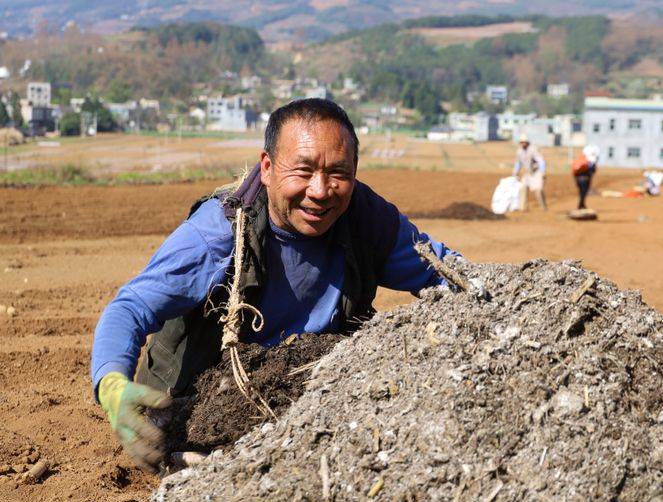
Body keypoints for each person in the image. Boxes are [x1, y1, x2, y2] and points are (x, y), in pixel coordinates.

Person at [91, 99, 458, 472]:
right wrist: (112, 387)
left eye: (338, 173)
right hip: (206, 413)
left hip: (315, 410)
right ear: (266, 168)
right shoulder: (221, 231)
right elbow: (131, 308)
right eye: (303, 171)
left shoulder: (368, 220)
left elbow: (445, 272)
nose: (320, 190)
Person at [511, 134, 547, 211]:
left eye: (524, 142)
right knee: (523, 188)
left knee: (538, 190)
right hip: (528, 173)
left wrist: (543, 171)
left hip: (536, 172)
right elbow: (518, 163)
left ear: (527, 142)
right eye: (521, 142)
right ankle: (522, 208)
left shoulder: (533, 149)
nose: (522, 144)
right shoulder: (519, 151)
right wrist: (515, 173)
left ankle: (544, 208)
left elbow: (541, 161)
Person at [574, 145, 599, 210]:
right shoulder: (590, 161)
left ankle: (582, 204)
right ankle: (581, 205)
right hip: (585, 179)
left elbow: (575, 171)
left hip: (578, 179)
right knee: (583, 192)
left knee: (582, 192)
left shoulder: (581, 159)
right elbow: (592, 170)